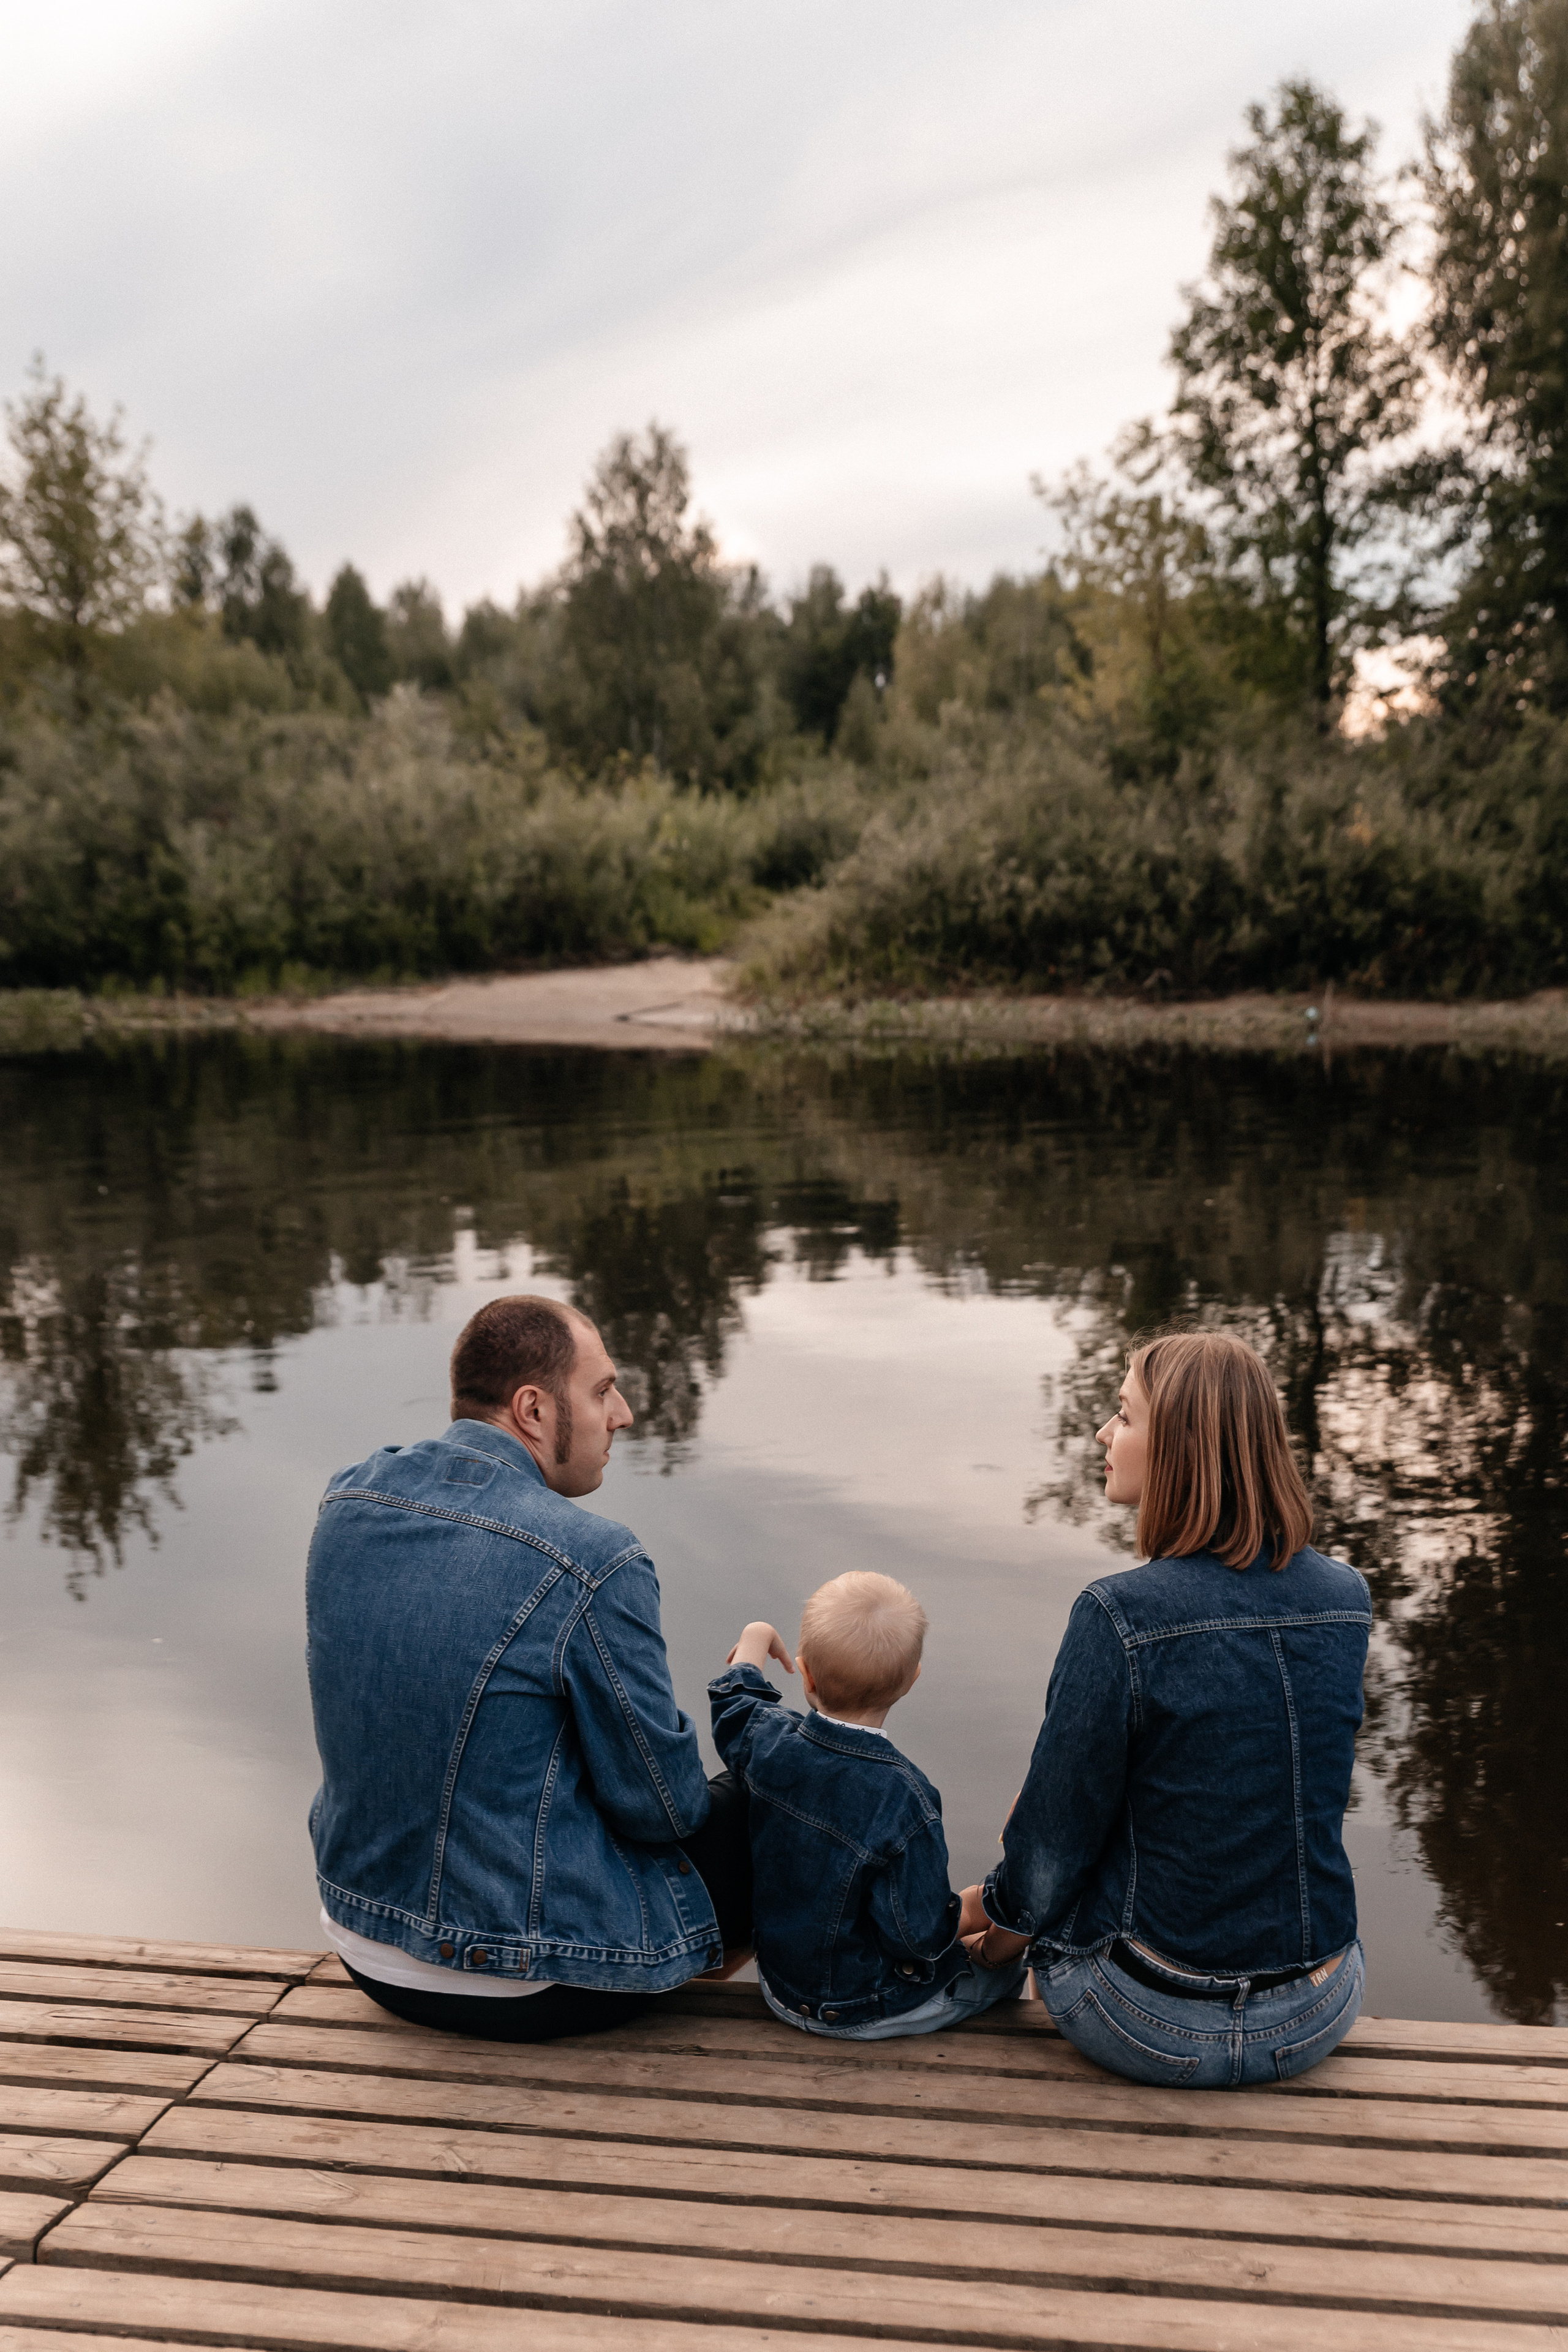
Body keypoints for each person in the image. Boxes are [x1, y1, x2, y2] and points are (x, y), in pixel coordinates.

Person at [305, 1294, 750, 2043]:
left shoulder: (347, 1500)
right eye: (603, 1391)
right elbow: (663, 1809)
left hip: (365, 1946)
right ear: (534, 1410)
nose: (624, 1415)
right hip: (526, 1981)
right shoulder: (594, 1559)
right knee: (775, 1794)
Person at [961, 1330, 1370, 2087]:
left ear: (1180, 1448)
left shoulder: (1117, 1615)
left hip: (1149, 2024)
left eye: (1123, 1415)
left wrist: (993, 1943)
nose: (1102, 1433)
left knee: (1045, 1830)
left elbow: (1050, 1857)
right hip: (1316, 2008)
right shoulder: (1346, 1599)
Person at [710, 1572, 1027, 2039]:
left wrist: (756, 1636)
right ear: (911, 1680)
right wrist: (975, 1908)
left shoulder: (768, 1742)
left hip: (780, 1988)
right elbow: (917, 1938)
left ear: (807, 1674)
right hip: (861, 2007)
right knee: (1006, 1970)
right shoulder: (906, 1799)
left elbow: (734, 1704)